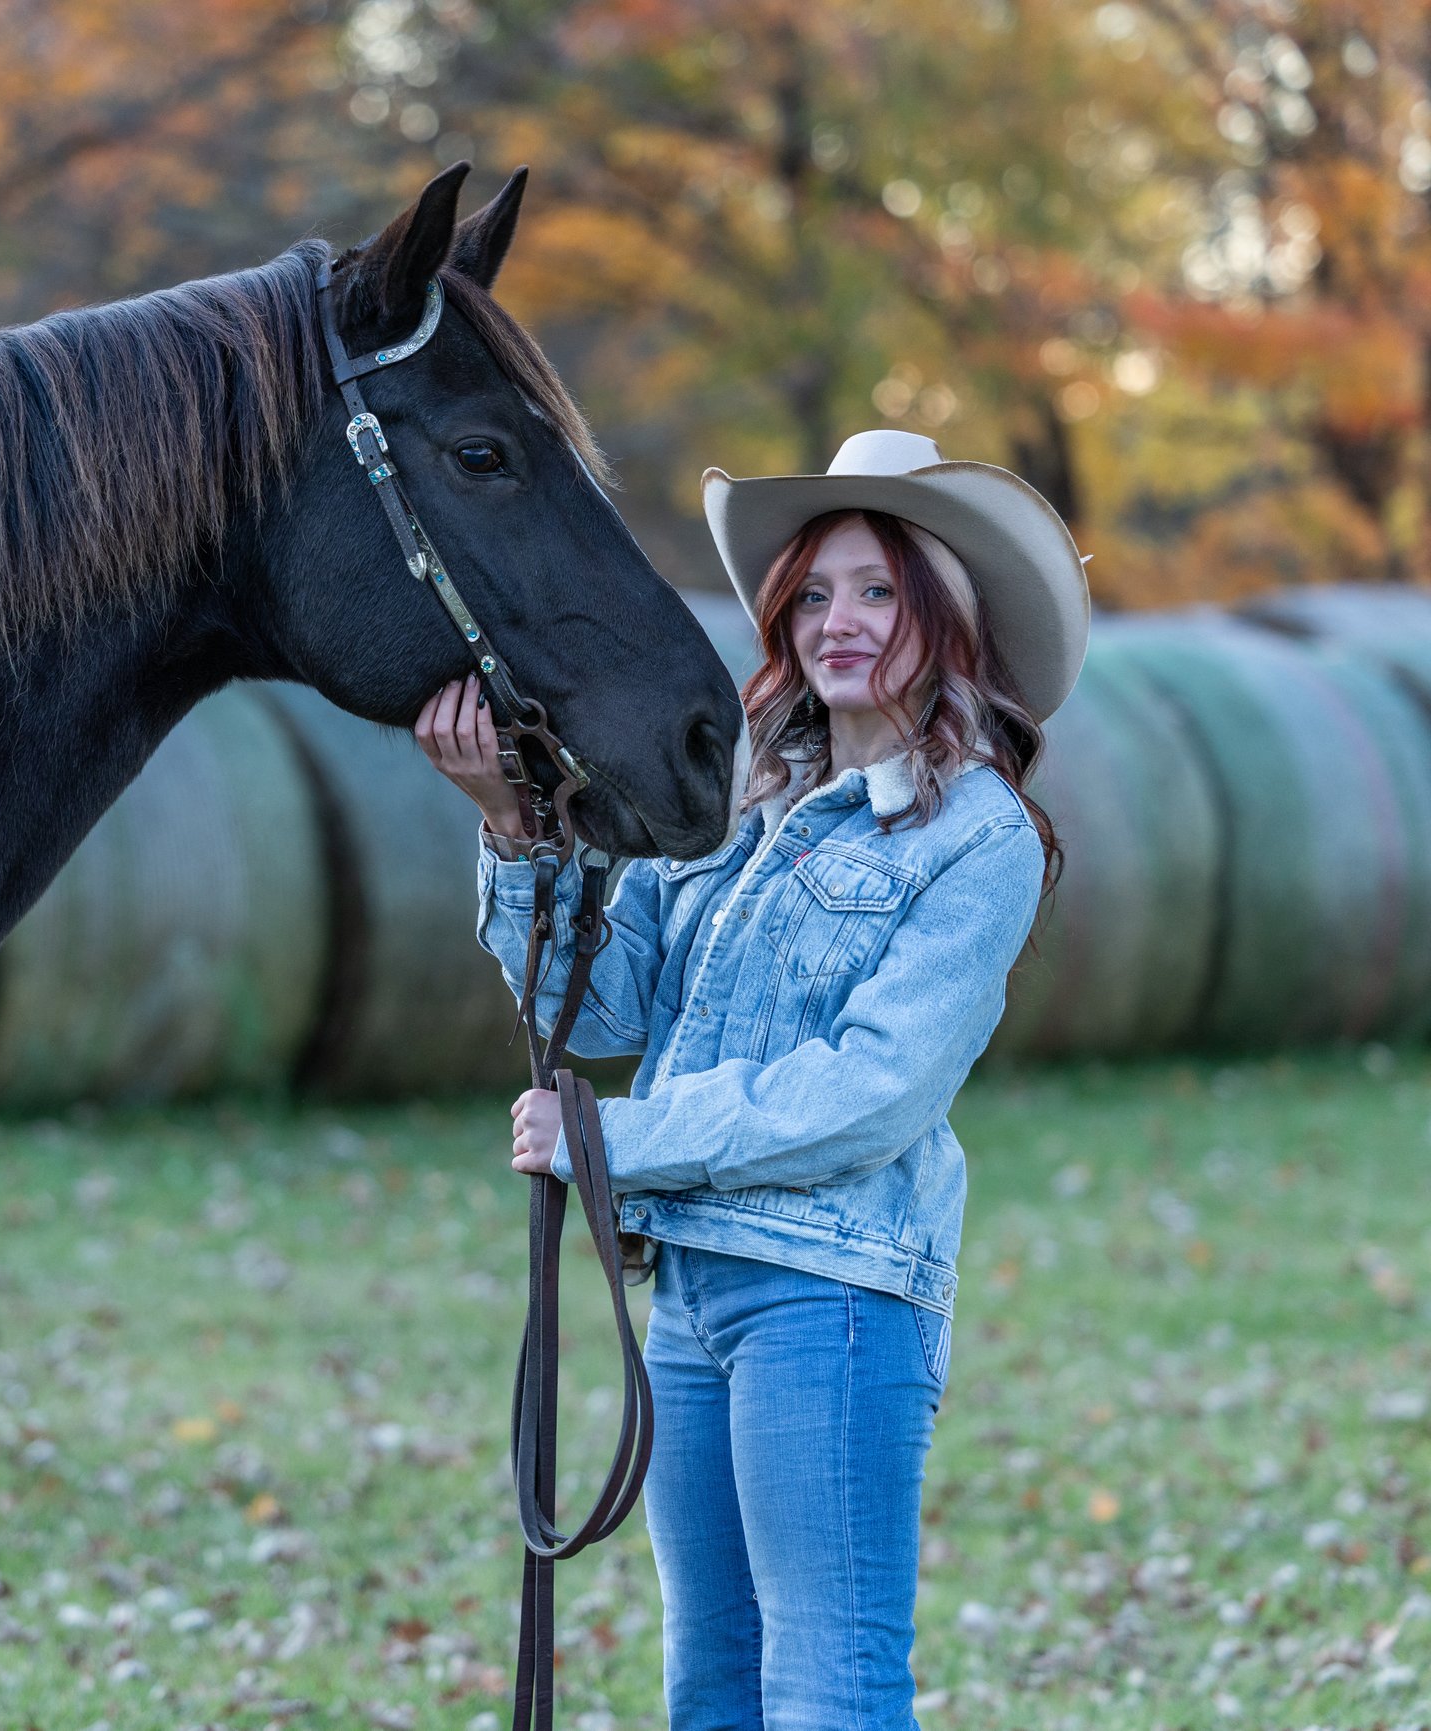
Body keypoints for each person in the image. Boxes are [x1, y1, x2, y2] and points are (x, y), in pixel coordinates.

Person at [415, 429, 1090, 1730]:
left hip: (829, 1297)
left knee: (829, 1675)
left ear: (950, 615)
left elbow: (872, 1093)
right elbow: (604, 1005)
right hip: (695, 1296)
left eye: (882, 590)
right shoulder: (741, 792)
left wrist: (615, 1139)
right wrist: (508, 825)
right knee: (710, 1673)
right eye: (815, 593)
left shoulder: (977, 834)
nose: (840, 621)